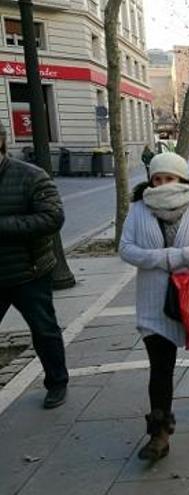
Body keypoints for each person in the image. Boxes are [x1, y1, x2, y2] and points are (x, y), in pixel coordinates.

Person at [119, 152, 189, 462]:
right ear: (150, 180)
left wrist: (188, 255)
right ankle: (159, 433)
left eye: (169, 178)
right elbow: (125, 249)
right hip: (154, 301)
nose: (163, 184)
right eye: (157, 179)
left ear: (182, 178)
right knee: (160, 367)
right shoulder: (140, 210)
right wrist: (162, 259)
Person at [0, 121, 69, 410]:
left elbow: (52, 218)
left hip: (29, 271)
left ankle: (57, 382)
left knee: (44, 329)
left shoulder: (31, 176)